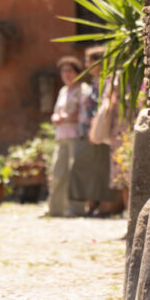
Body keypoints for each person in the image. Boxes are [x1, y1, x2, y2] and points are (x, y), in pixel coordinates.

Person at [68, 45, 114, 216]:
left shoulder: (106, 81)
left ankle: (103, 205)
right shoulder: (95, 82)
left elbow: (102, 108)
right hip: (88, 131)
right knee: (90, 167)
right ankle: (93, 202)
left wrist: (94, 128)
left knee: (100, 168)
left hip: (97, 131)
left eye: (89, 61)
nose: (86, 64)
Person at [47, 55, 90, 217]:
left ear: (77, 72)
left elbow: (83, 114)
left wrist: (65, 118)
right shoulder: (63, 91)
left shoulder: (83, 90)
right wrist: (56, 118)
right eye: (63, 71)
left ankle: (76, 208)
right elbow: (56, 112)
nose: (66, 74)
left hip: (76, 135)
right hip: (61, 136)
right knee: (57, 172)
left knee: (74, 173)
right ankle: (55, 209)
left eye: (69, 71)